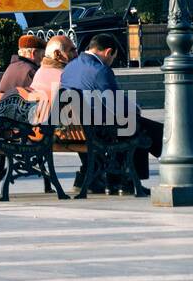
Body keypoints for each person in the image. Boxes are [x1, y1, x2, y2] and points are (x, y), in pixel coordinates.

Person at [62, 33, 165, 189]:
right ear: (108, 51)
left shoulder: (70, 67)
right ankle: (131, 179)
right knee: (143, 128)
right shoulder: (100, 70)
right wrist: (135, 108)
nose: (111, 62)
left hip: (73, 128)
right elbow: (117, 103)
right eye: (113, 58)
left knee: (136, 124)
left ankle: (124, 178)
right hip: (96, 130)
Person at [20, 35, 75, 123]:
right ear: (57, 54)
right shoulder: (65, 77)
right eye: (72, 50)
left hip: (37, 128)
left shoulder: (39, 72)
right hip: (61, 131)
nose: (77, 54)